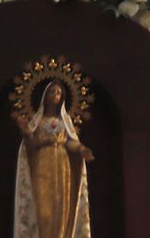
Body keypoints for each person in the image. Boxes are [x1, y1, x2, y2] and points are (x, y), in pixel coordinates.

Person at [13, 80, 92, 238]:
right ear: (45, 95)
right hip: (42, 166)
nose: (55, 96)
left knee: (60, 208)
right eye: (52, 92)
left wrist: (81, 149)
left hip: (63, 168)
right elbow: (31, 145)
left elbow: (70, 142)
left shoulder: (66, 122)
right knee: (43, 210)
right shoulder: (38, 121)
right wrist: (27, 133)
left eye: (58, 93)